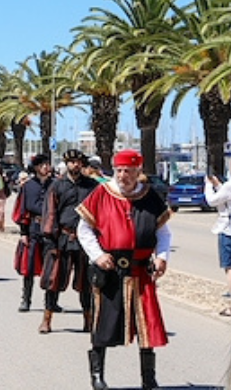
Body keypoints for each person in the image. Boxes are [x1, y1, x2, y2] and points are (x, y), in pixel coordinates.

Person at [76, 149, 172, 390]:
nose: (122, 176)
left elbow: (163, 233)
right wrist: (97, 255)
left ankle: (148, 378)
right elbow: (84, 230)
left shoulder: (150, 197)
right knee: (103, 323)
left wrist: (161, 257)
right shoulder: (101, 194)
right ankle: (97, 376)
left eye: (128, 171)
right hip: (110, 271)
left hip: (140, 271)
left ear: (138, 171)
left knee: (146, 326)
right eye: (119, 171)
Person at [38, 149, 98, 334]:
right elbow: (50, 212)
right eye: (72, 162)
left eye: (78, 162)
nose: (75, 165)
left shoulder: (92, 186)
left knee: (86, 283)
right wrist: (50, 238)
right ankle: (46, 320)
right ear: (67, 164)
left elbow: (99, 212)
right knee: (53, 280)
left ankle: (88, 320)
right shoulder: (57, 186)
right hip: (62, 239)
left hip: (85, 241)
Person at [13, 154, 52, 312]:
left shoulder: (55, 185)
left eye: (47, 164)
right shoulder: (28, 186)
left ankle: (51, 302)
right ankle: (26, 300)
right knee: (28, 267)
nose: (45, 167)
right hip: (33, 230)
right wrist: (23, 232)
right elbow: (23, 209)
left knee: (51, 267)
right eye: (42, 165)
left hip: (50, 230)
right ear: (36, 167)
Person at [204, 174, 231, 316]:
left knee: (229, 269)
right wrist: (218, 186)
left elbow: (212, 201)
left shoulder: (229, 186)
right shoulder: (227, 187)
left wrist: (208, 185)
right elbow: (226, 197)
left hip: (228, 231)